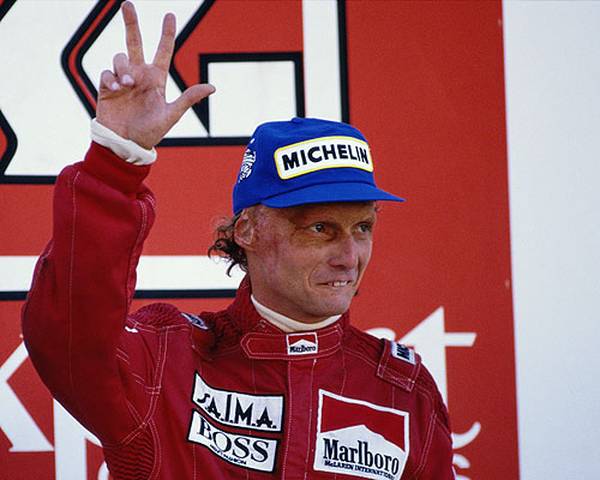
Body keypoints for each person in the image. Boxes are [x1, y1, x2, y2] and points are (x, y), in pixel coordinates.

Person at [22, 2, 454, 479]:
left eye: (363, 228)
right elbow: (67, 337)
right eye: (320, 229)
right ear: (246, 230)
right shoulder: (166, 360)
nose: (349, 257)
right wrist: (116, 161)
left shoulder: (402, 391)